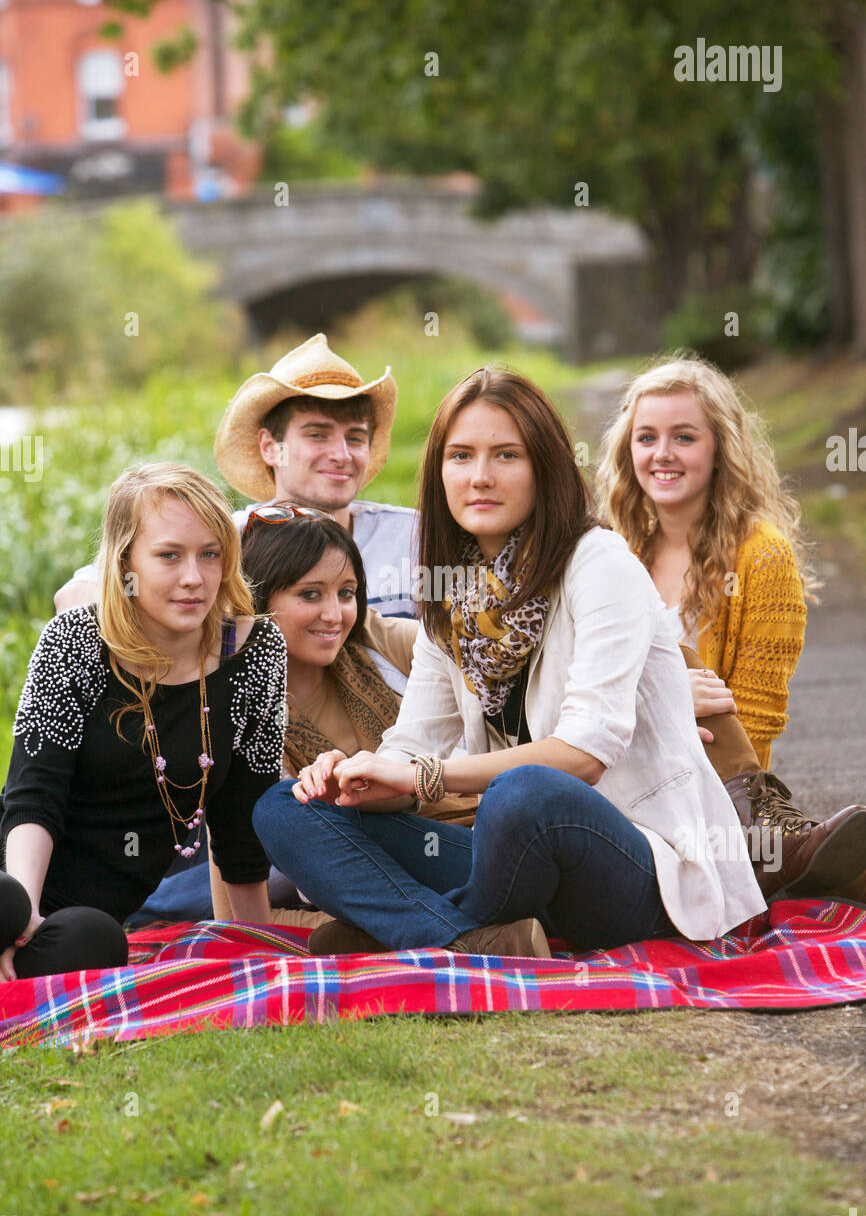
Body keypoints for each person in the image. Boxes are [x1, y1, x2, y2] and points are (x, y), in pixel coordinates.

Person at [252, 366, 769, 959]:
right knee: (285, 808)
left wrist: (426, 778)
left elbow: (583, 755)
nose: (479, 477)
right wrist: (359, 776)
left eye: (505, 456)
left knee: (523, 792)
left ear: (543, 467)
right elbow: (416, 740)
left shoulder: (598, 564)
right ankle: (459, 938)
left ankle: (400, 930)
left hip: (639, 866)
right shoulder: (453, 595)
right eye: (461, 456)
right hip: (516, 864)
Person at [53, 333, 416, 924]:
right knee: (228, 822)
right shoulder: (224, 539)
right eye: (318, 434)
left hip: (384, 755)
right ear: (270, 446)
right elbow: (86, 593)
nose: (341, 453)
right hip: (253, 756)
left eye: (356, 437)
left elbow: (455, 647)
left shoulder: (413, 538)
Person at [594, 354, 866, 901]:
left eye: (685, 437)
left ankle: (772, 850)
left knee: (683, 669)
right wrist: (667, 701)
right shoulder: (612, 552)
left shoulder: (761, 557)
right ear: (629, 450)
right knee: (675, 668)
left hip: (718, 788)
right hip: (617, 764)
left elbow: (755, 726)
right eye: (646, 437)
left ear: (720, 450)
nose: (662, 454)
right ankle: (788, 866)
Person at [0, 463, 286, 981]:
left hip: (81, 918)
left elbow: (243, 818)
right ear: (125, 561)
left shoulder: (257, 651)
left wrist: (260, 947)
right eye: (169, 556)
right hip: (17, 881)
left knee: (97, 941)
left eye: (210, 554)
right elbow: (32, 794)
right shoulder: (77, 640)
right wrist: (22, 918)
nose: (193, 578)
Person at [209, 504, 477, 928]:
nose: (334, 615)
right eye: (309, 594)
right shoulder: (236, 716)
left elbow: (472, 647)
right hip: (380, 889)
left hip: (474, 839)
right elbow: (241, 919)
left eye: (346, 593)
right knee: (287, 810)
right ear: (255, 598)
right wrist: (356, 930)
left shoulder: (373, 639)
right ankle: (453, 927)